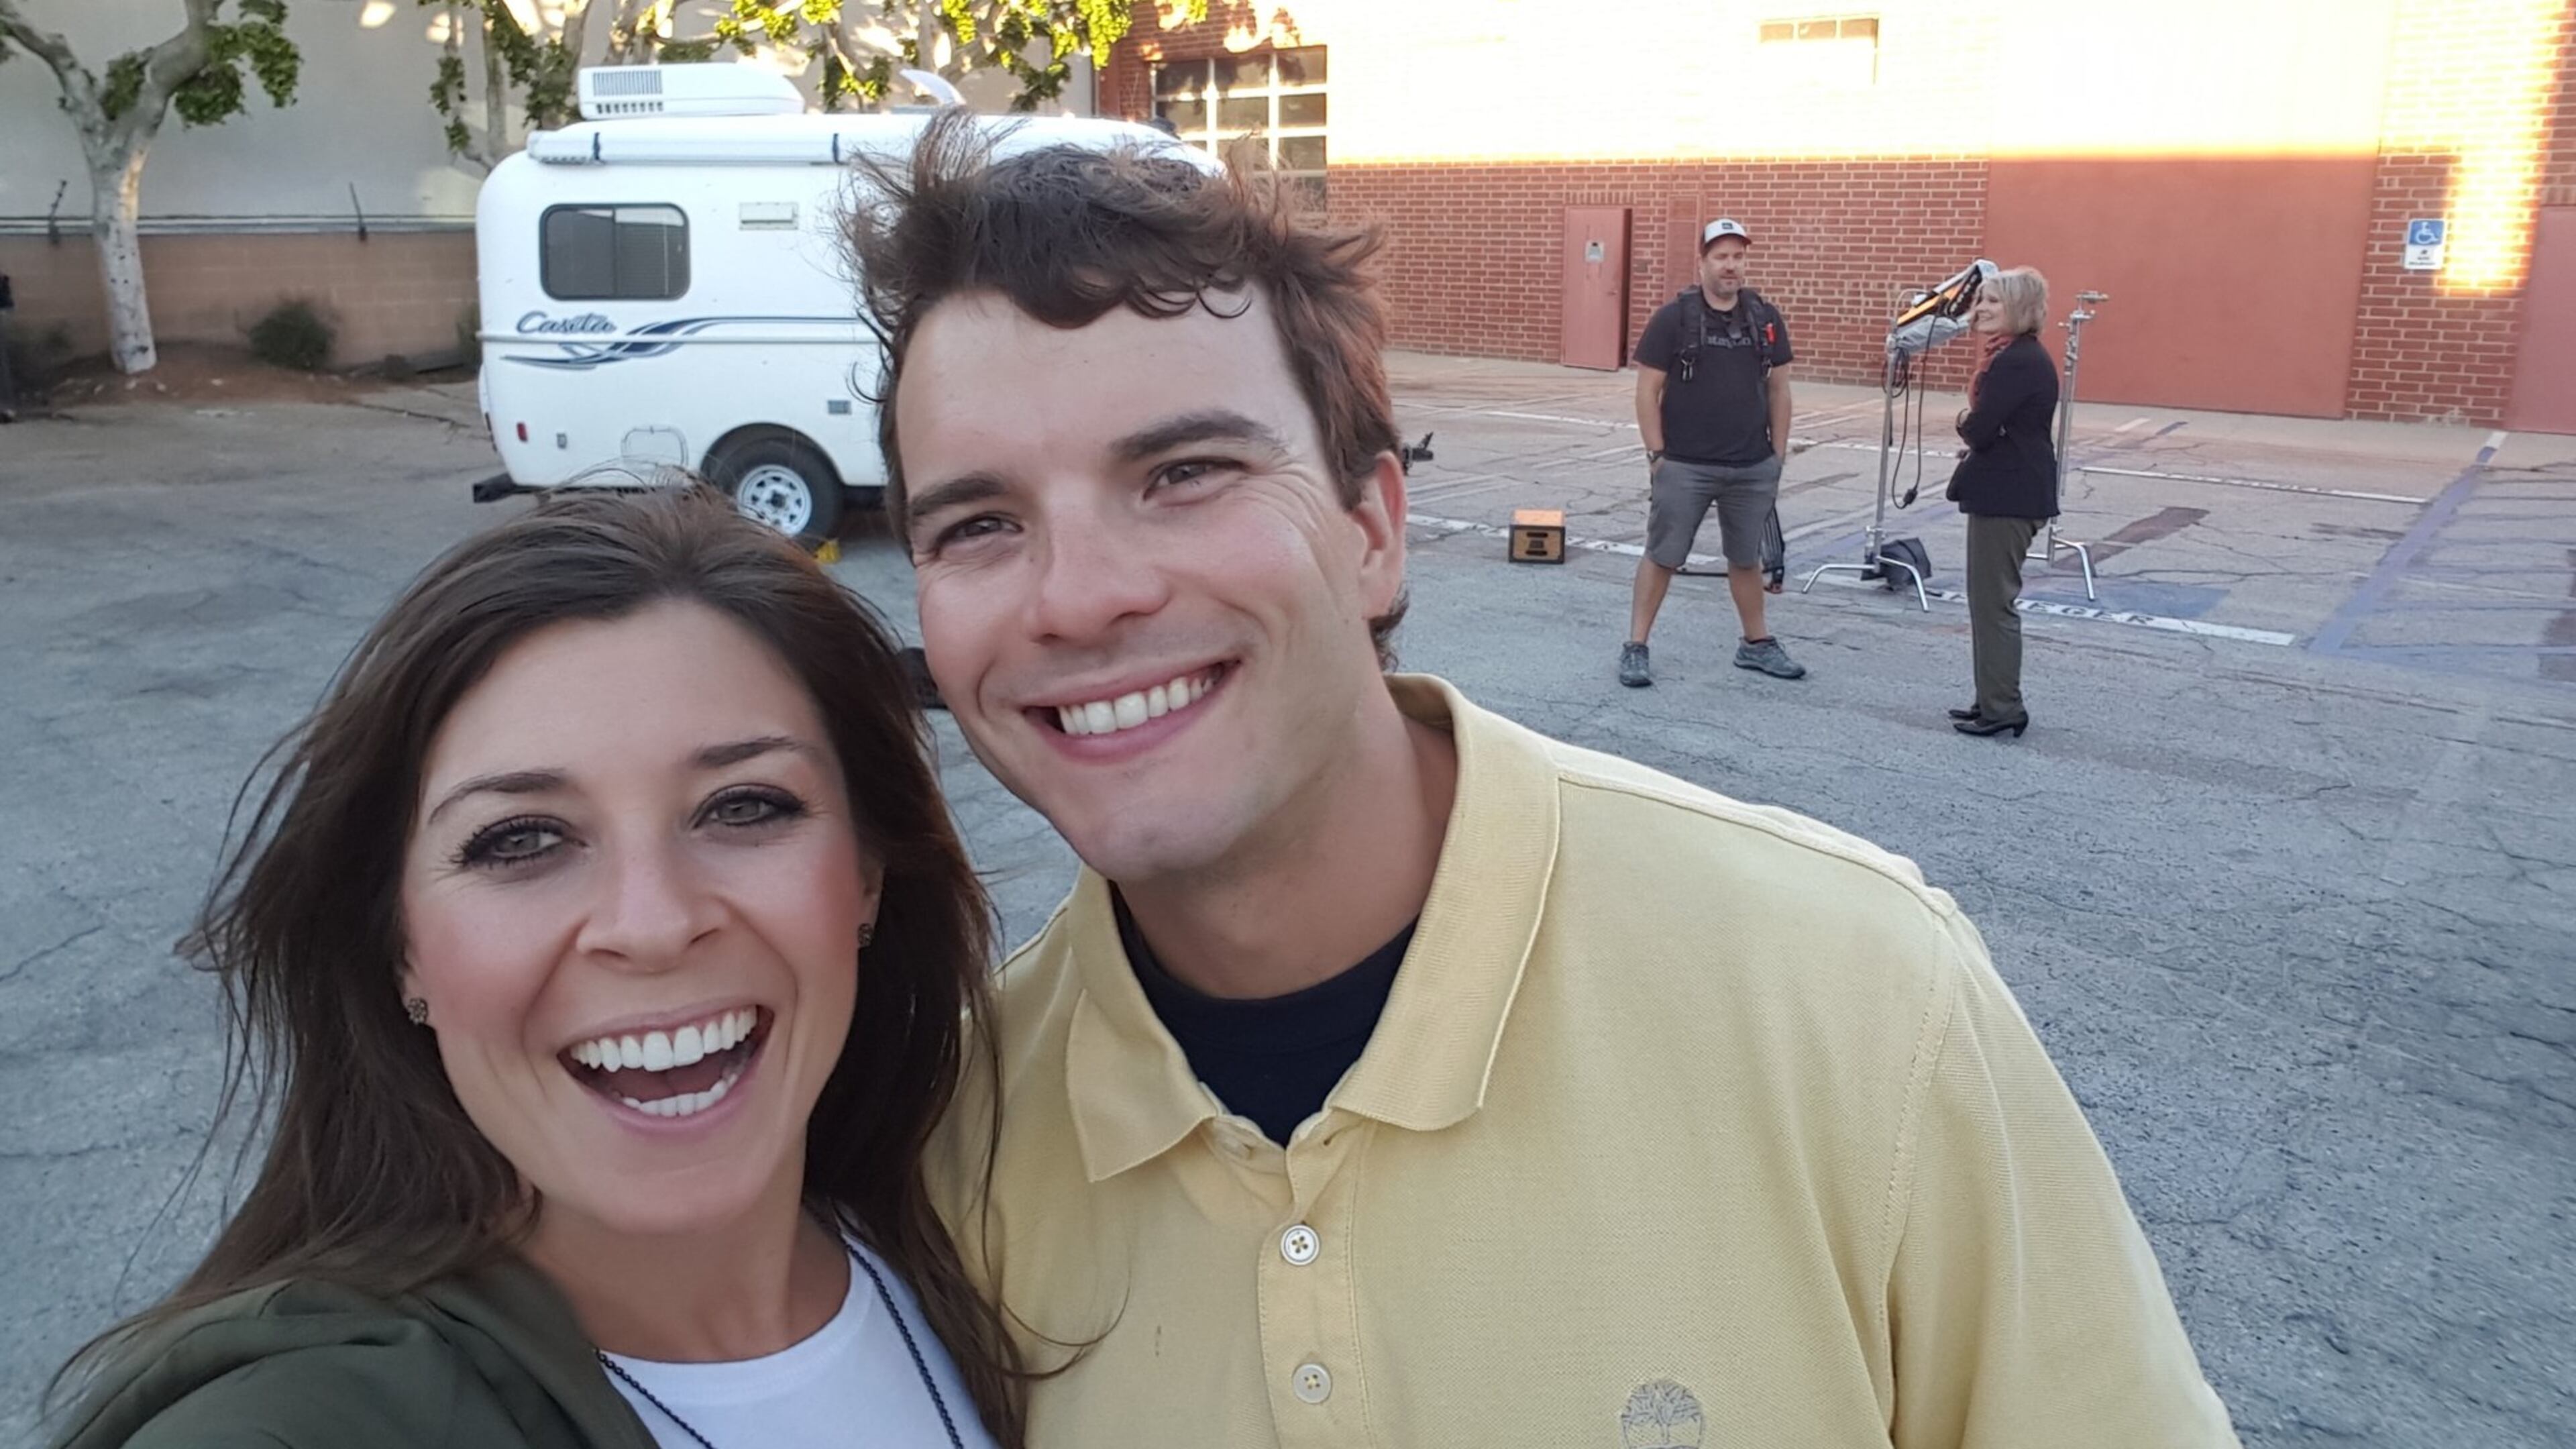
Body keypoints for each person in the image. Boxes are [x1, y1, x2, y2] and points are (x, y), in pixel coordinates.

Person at [852, 114, 2241, 1446]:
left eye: (1184, 473)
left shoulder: (1860, 1004)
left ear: (1374, 531)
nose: (1078, 597)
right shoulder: (949, 1151)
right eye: (978, 523)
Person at [48, 489, 1022, 1449]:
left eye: (743, 807)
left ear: (866, 876)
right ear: (399, 947)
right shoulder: (310, 1416)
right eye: (520, 840)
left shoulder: (997, 1246)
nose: (652, 926)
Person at [1621, 216, 1805, 688]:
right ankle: (1636, 646)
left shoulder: (1765, 318)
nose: (1730, 266)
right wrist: (1657, 456)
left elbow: (1780, 390)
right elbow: (1647, 392)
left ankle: (1756, 644)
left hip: (1751, 465)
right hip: (1685, 465)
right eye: (1721, 256)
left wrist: (1776, 457)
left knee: (1746, 560)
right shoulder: (1673, 319)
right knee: (1663, 555)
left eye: (1738, 257)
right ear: (1702, 262)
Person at [1946, 267, 2060, 738]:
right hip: (2009, 490)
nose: (1982, 309)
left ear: (2020, 307)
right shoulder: (2015, 356)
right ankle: (1990, 698)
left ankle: (2003, 708)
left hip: (2009, 496)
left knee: (1993, 605)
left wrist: (1964, 421)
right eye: (1982, 300)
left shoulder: (2016, 361)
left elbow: (1980, 428)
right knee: (1986, 602)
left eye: (1994, 301)